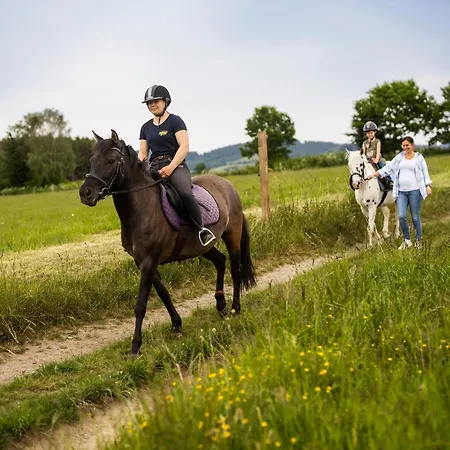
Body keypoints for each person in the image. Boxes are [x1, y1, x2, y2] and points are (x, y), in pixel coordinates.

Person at [138, 85, 216, 247]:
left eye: (155, 101)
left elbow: (184, 147)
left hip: (176, 165)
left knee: (184, 193)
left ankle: (201, 230)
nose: (152, 105)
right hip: (154, 167)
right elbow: (143, 154)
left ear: (166, 102)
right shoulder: (145, 128)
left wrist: (171, 167)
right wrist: (138, 169)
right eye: (149, 103)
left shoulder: (175, 121)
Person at [366, 136, 432, 250]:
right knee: (401, 216)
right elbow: (388, 168)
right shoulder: (399, 157)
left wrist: (428, 185)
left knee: (415, 217)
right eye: (403, 145)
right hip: (401, 192)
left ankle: (418, 241)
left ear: (412, 145)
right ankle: (407, 241)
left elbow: (425, 172)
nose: (405, 147)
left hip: (415, 191)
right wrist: (374, 174)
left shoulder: (419, 158)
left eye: (407, 145)